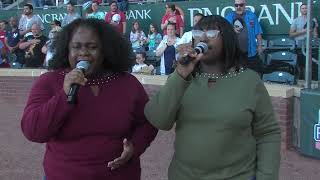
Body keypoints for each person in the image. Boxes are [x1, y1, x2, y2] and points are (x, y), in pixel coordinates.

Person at [145, 15, 281, 180]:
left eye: (211, 34)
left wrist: (266, 176)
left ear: (228, 39)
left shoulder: (250, 81)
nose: (202, 38)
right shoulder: (183, 78)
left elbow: (268, 133)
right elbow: (159, 119)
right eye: (197, 33)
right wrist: (179, 74)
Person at [21, 18, 157, 179]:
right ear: (66, 50)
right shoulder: (49, 82)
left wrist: (134, 147)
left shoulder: (128, 83)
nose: (83, 53)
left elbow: (148, 122)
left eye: (92, 47)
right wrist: (64, 96)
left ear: (105, 50)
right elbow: (33, 131)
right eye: (76, 47)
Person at [225, 0, 264, 74]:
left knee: (254, 73)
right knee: (237, 74)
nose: (238, 7)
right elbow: (224, 33)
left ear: (245, 5)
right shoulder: (229, 17)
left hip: (251, 52)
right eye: (236, 5)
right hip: (235, 53)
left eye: (241, 5)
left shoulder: (252, 16)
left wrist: (260, 46)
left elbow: (258, 32)